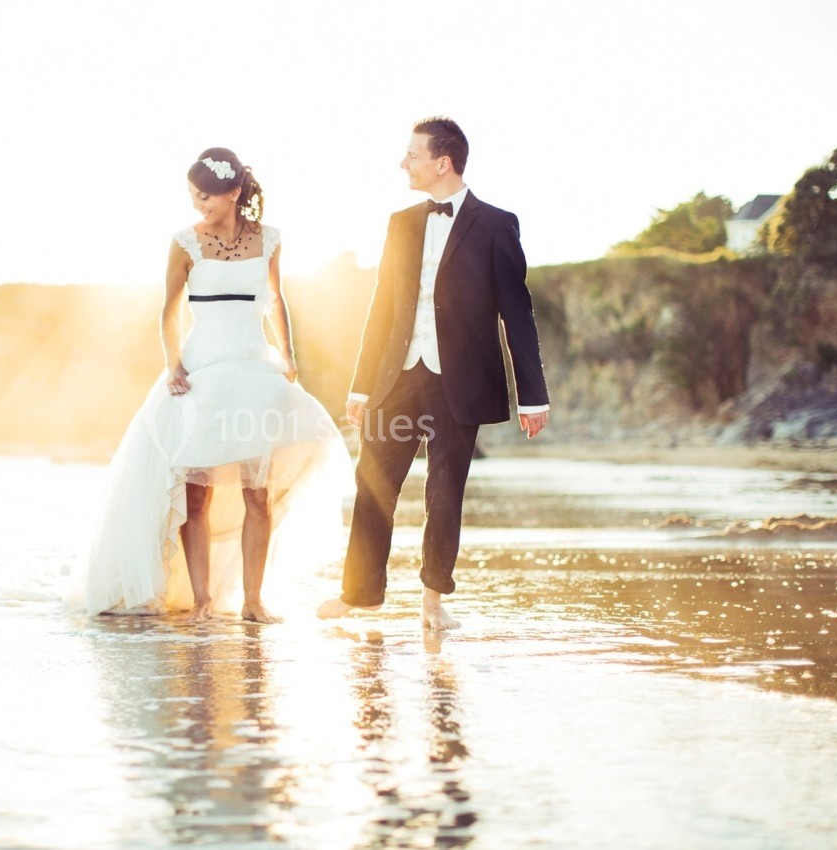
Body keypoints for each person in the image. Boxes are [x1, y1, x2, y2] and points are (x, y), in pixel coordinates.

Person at [69, 147, 352, 624]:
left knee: (256, 490)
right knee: (194, 491)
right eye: (193, 195)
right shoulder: (184, 243)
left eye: (205, 196)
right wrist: (173, 363)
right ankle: (201, 600)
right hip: (200, 372)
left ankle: (253, 601)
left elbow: (276, 300)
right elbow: (169, 310)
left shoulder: (270, 239)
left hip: (254, 368)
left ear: (234, 192)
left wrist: (289, 355)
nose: (198, 203)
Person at [318, 117, 550, 631]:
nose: (404, 164)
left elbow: (517, 313)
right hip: (396, 375)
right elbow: (382, 309)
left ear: (442, 162)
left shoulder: (496, 224)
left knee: (445, 490)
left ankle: (432, 602)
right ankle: (360, 594)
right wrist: (360, 386)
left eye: (413, 156)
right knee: (372, 480)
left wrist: (533, 396)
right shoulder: (401, 223)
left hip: (459, 381)